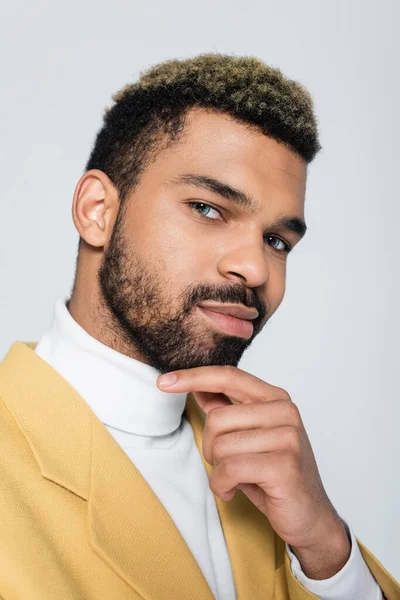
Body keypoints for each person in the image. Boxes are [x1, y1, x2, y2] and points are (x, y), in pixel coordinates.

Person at [0, 53, 398, 600]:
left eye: (278, 241)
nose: (256, 269)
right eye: (209, 209)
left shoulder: (267, 468)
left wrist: (327, 548)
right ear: (97, 211)